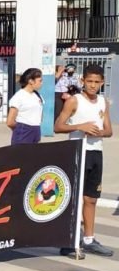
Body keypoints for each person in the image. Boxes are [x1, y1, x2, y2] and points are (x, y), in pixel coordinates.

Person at [55, 64, 113, 258]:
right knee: (75, 197)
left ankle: (89, 239)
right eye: (89, 81)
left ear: (102, 82)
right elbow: (58, 126)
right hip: (78, 151)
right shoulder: (74, 101)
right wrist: (81, 127)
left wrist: (100, 132)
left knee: (91, 198)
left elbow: (109, 130)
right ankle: (70, 240)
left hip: (96, 152)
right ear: (82, 81)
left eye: (97, 82)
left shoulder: (103, 102)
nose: (93, 85)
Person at [7, 68, 44, 145]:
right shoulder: (19, 96)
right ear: (31, 81)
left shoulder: (37, 95)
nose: (42, 83)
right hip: (23, 131)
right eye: (40, 81)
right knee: (21, 156)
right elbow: (10, 122)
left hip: (36, 129)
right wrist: (20, 129)